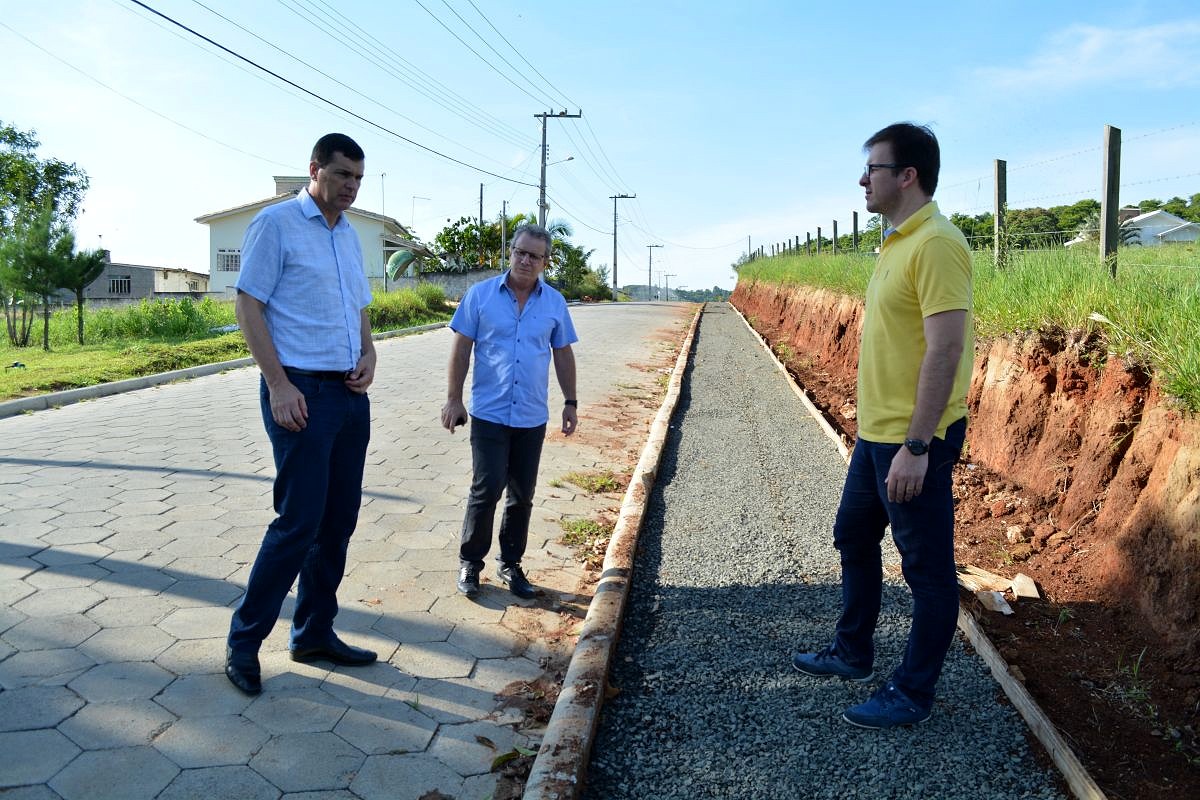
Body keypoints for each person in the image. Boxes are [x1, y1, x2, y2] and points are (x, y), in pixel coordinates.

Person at [792, 123, 974, 729]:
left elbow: (945, 350)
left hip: (913, 439)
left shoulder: (938, 244)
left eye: (872, 167)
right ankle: (853, 651)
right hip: (876, 435)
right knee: (852, 535)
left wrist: (918, 446)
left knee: (926, 569)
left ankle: (913, 692)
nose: (862, 178)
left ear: (907, 176)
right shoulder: (896, 242)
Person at [225, 133, 379, 695]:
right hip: (300, 394)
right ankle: (244, 643)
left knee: (337, 523)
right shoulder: (277, 224)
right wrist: (278, 384)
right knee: (297, 523)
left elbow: (358, 306)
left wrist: (369, 352)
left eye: (358, 179)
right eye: (342, 176)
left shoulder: (351, 236)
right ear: (314, 169)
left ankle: (314, 631)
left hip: (348, 395)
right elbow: (249, 303)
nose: (351, 188)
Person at [441, 224, 578, 600]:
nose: (525, 260)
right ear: (511, 252)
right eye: (520, 252)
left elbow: (563, 353)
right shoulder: (480, 295)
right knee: (486, 490)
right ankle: (471, 562)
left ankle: (511, 564)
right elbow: (461, 347)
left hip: (532, 416)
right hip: (490, 412)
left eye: (534, 256)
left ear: (545, 262)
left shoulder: (554, 303)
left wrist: (571, 402)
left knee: (522, 494)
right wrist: (454, 399)